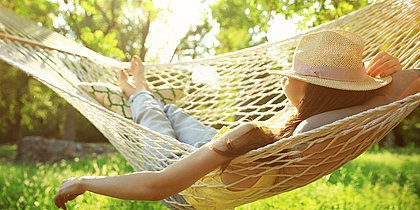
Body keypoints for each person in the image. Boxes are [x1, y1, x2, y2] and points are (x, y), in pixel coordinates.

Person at [54, 30, 420, 209]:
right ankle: (150, 95)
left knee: (152, 115)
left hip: (182, 171)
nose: (285, 77)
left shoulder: (290, 132)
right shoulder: (340, 118)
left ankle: (136, 94)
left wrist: (84, 180)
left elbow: (157, 186)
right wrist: (377, 85)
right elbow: (399, 88)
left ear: (310, 90)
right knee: (175, 113)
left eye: (292, 73)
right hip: (227, 148)